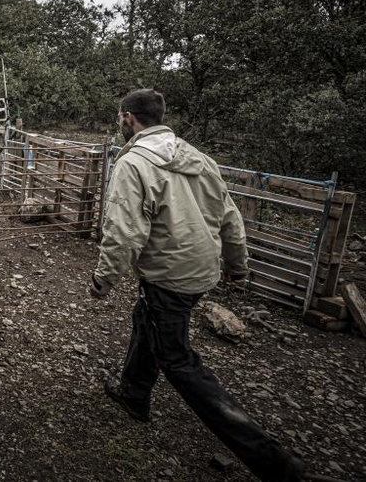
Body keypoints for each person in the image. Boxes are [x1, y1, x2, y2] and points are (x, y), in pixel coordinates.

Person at [89, 89, 304, 481]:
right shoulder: (199, 158)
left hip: (170, 274)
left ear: (128, 119)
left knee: (178, 359)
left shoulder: (133, 163)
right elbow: (230, 216)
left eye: (120, 117)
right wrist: (237, 266)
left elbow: (123, 231)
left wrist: (103, 280)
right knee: (148, 319)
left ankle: (271, 460)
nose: (119, 122)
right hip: (202, 270)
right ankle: (133, 394)